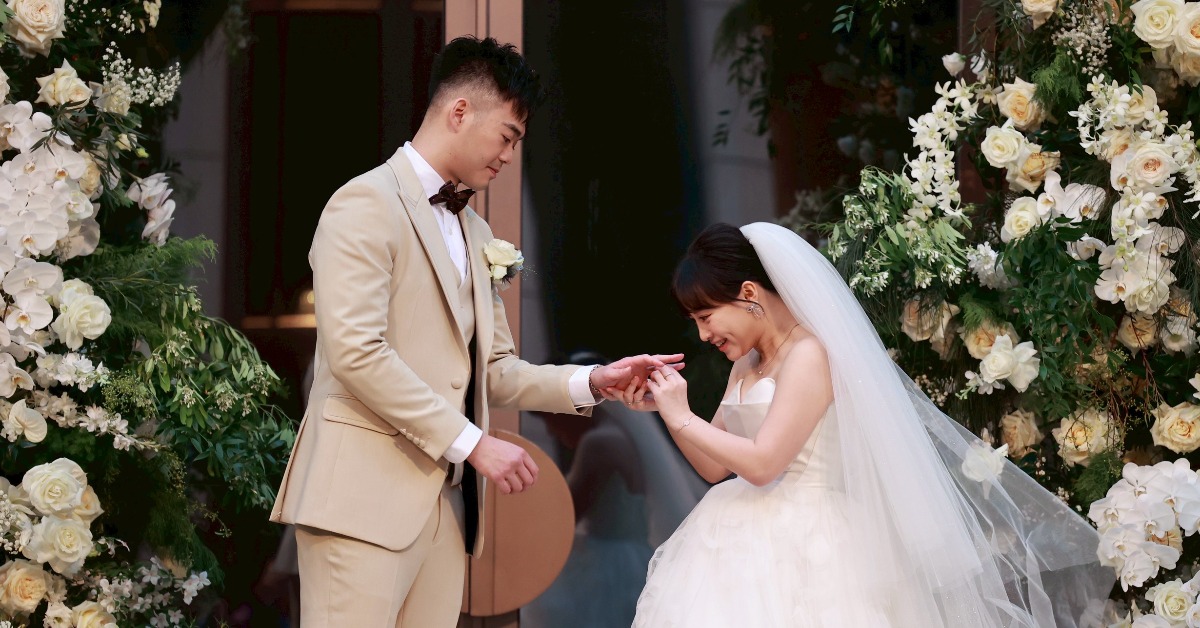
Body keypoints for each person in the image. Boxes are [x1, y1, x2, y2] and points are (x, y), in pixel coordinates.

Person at [268, 36, 681, 628]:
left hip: (446, 509)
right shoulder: (363, 203)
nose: (510, 155)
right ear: (460, 111)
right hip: (360, 503)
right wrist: (472, 443)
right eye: (507, 135)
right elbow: (357, 353)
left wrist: (594, 381)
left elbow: (494, 369)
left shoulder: (479, 234)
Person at [612, 222, 1113, 627]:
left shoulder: (809, 355)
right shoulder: (746, 363)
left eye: (706, 316)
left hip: (813, 542)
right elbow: (713, 467)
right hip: (735, 540)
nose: (703, 335)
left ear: (748, 293)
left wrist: (682, 416)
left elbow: (764, 464)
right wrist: (668, 413)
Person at [523, 352, 708, 628]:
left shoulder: (600, 444)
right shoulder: (620, 436)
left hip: (606, 565)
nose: (551, 431)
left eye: (550, 419)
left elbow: (568, 512)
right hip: (633, 556)